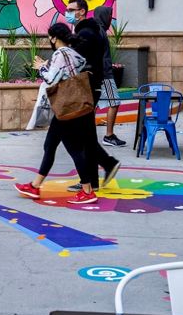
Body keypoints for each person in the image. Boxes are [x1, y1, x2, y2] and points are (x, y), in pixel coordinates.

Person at [14, 23, 112, 206]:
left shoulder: (60, 54)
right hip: (73, 106)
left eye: (49, 38)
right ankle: (35, 186)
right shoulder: (73, 53)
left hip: (65, 108)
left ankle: (87, 191)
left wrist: (41, 68)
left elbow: (51, 78)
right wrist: (49, 65)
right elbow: (75, 68)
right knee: (50, 145)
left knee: (72, 149)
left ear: (54, 38)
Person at [65, 0, 121, 190]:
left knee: (81, 135)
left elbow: (80, 60)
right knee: (86, 134)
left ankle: (93, 176)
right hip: (92, 84)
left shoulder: (88, 32)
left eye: (71, 9)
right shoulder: (90, 30)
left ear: (82, 11)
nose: (67, 13)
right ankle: (98, 173)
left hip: (89, 85)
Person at [93, 5, 127, 147]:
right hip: (104, 76)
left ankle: (87, 135)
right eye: (109, 15)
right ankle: (109, 135)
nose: (110, 19)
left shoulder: (96, 31)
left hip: (99, 75)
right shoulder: (100, 32)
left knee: (92, 105)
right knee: (114, 102)